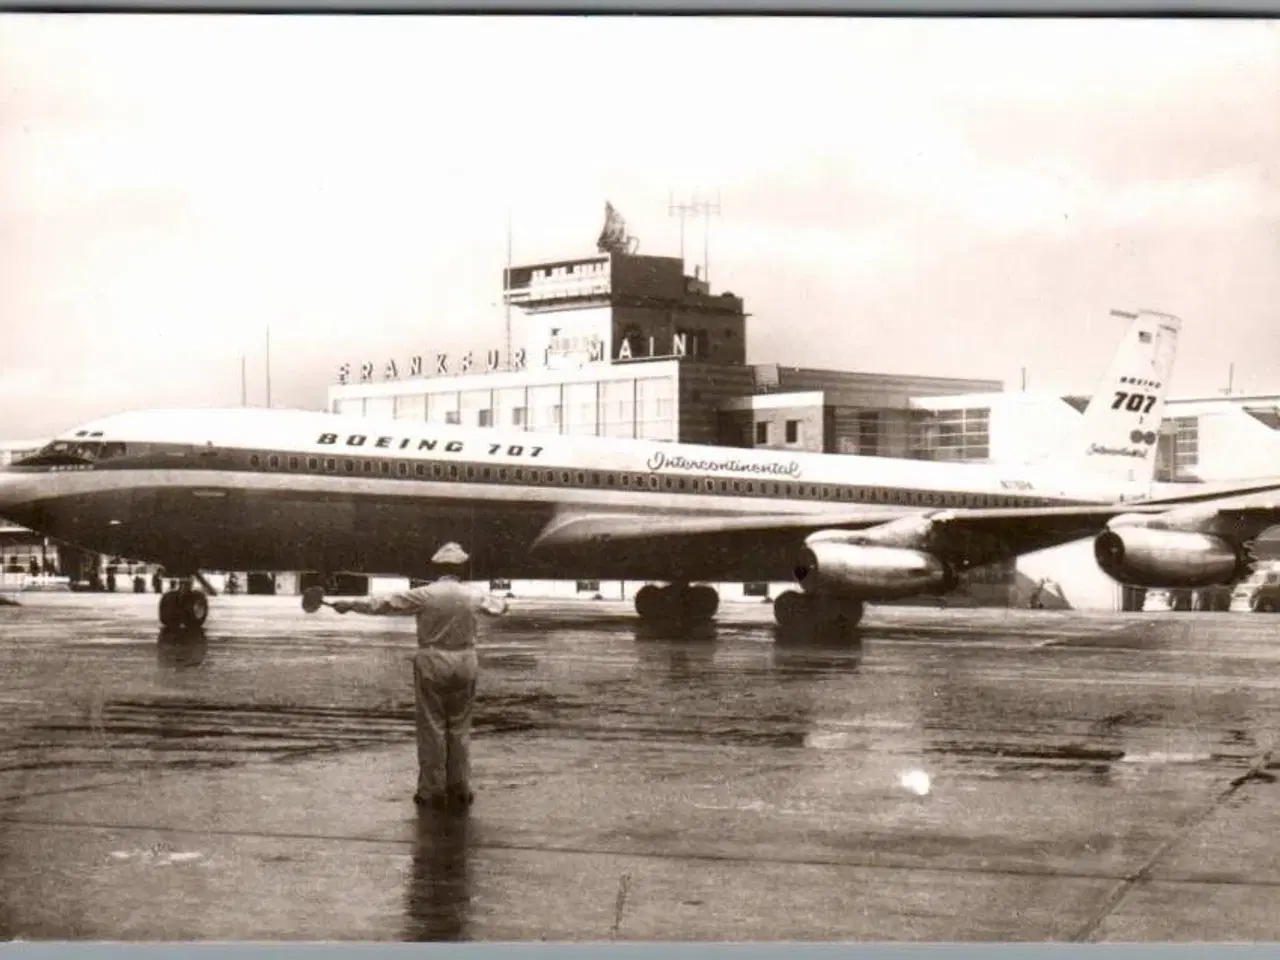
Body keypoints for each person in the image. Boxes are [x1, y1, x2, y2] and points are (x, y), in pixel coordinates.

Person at [330, 543, 507, 812]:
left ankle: (431, 790)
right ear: (461, 567)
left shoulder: (425, 594)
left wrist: (349, 604)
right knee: (459, 727)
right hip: (466, 660)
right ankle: (460, 787)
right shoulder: (474, 594)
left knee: (432, 726)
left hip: (433, 660)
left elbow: (385, 604)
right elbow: (500, 607)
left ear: (437, 567)